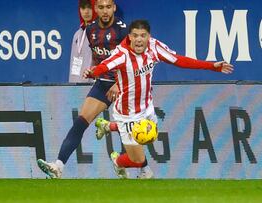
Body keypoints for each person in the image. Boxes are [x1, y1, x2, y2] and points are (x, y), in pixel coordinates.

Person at [84, 19, 234, 179]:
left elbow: (179, 60)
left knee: (150, 136)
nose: (139, 39)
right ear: (129, 36)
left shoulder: (154, 47)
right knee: (137, 160)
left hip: (146, 106)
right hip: (127, 113)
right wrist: (92, 73)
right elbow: (104, 66)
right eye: (135, 35)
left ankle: (108, 127)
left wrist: (212, 66)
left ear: (149, 36)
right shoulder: (122, 54)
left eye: (143, 35)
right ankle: (117, 160)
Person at [37, 0, 133, 178]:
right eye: (101, 7)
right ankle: (58, 166)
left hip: (124, 84)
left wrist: (119, 83)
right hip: (103, 83)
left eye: (108, 7)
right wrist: (93, 72)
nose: (104, 11)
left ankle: (135, 167)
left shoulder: (123, 30)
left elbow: (132, 61)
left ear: (113, 8)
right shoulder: (91, 31)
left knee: (130, 127)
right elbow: (99, 59)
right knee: (81, 122)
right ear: (97, 9)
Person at [69, 0, 96, 83]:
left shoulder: (99, 33)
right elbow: (73, 62)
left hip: (93, 83)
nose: (86, 11)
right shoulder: (77, 34)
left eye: (89, 8)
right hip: (76, 83)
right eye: (83, 8)